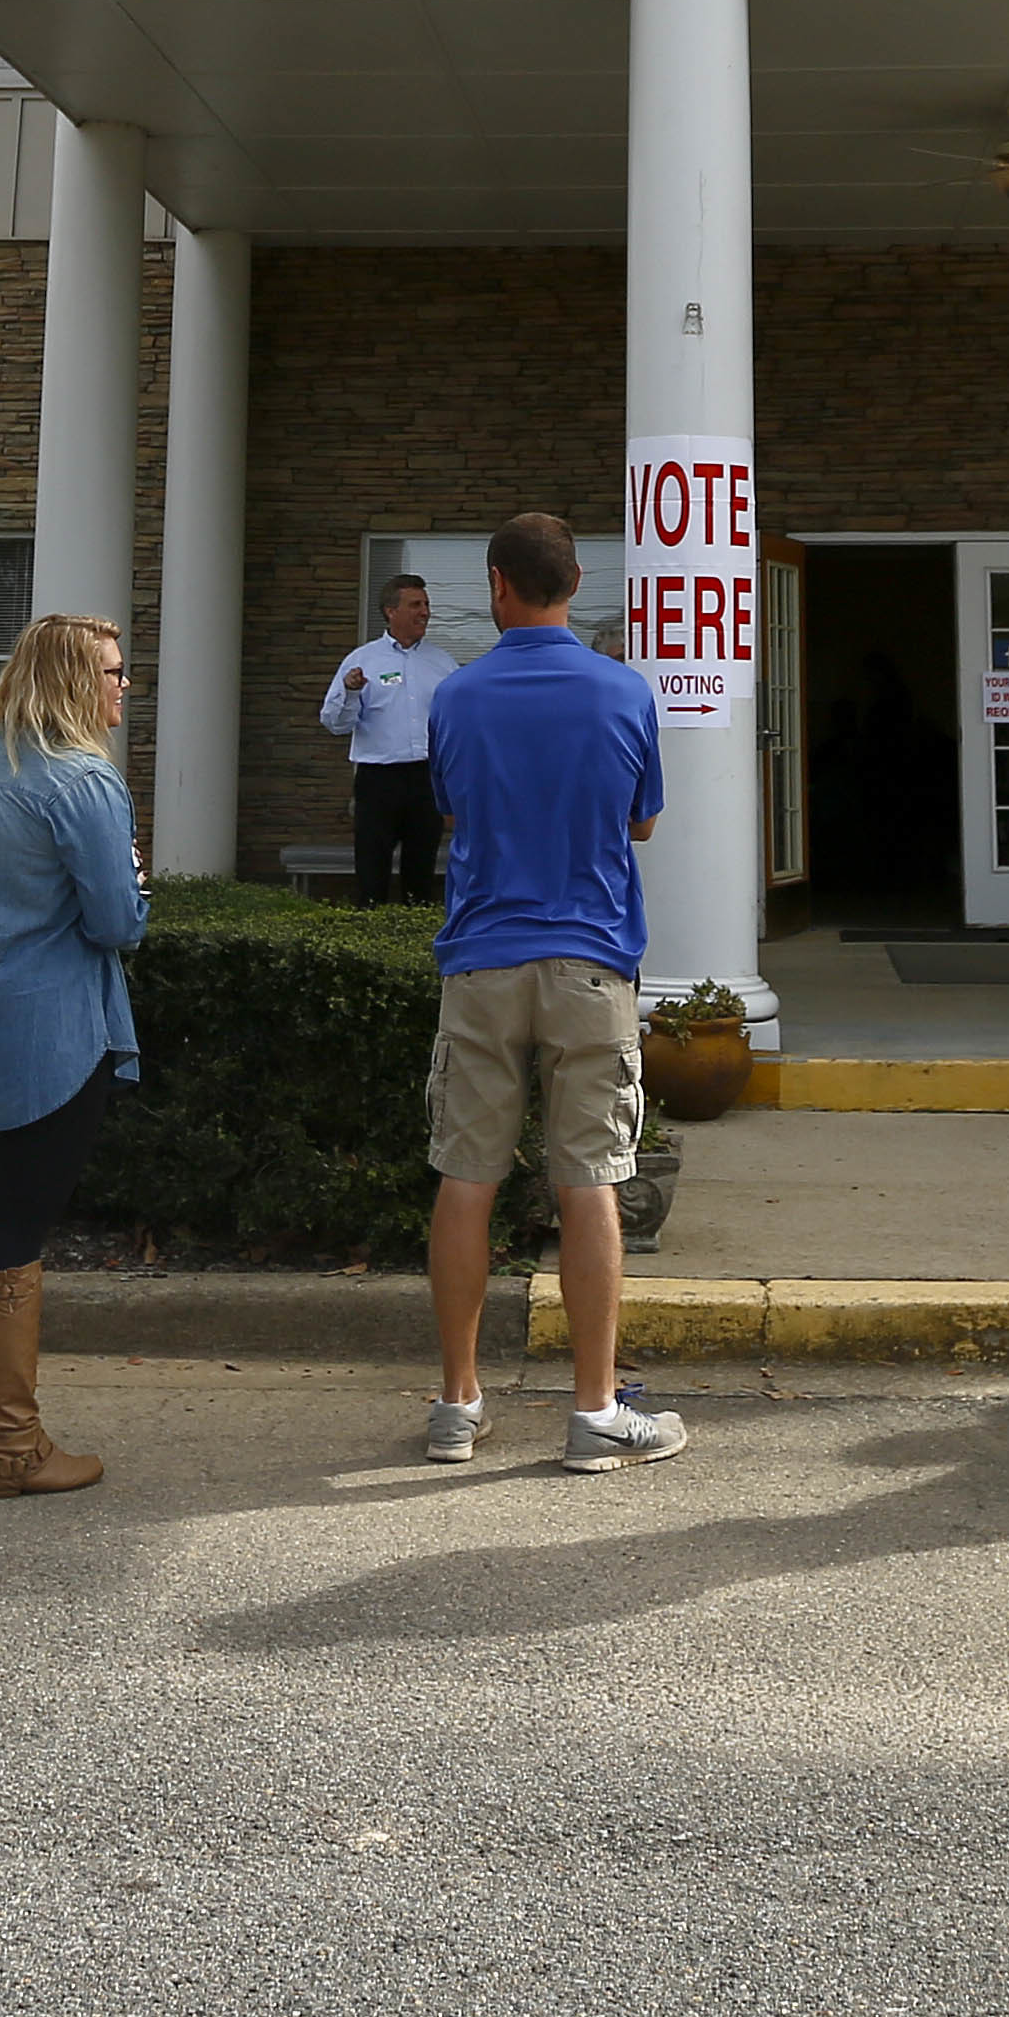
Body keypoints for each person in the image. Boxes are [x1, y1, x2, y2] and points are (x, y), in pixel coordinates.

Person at [415, 509, 684, 1475]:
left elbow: (451, 805)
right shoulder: (625, 691)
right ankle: (594, 1410)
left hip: (483, 952)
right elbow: (642, 822)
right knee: (591, 1183)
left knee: (466, 1177)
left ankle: (457, 1405)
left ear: (497, 583)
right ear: (573, 586)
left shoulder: (457, 695)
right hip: (592, 955)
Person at [0, 609, 146, 1496]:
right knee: (17, 1225)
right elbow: (117, 922)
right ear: (74, 681)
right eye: (114, 673)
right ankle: (13, 1445)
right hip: (53, 1033)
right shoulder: (84, 782)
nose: (124, 685)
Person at [323, 572, 461, 908]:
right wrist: (352, 693)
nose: (424, 612)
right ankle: (371, 940)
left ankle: (414, 946)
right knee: (372, 872)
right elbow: (334, 723)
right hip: (378, 779)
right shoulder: (362, 661)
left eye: (426, 604)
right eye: (415, 604)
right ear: (390, 611)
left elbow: (460, 723)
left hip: (426, 779)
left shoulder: (443, 664)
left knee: (421, 873)